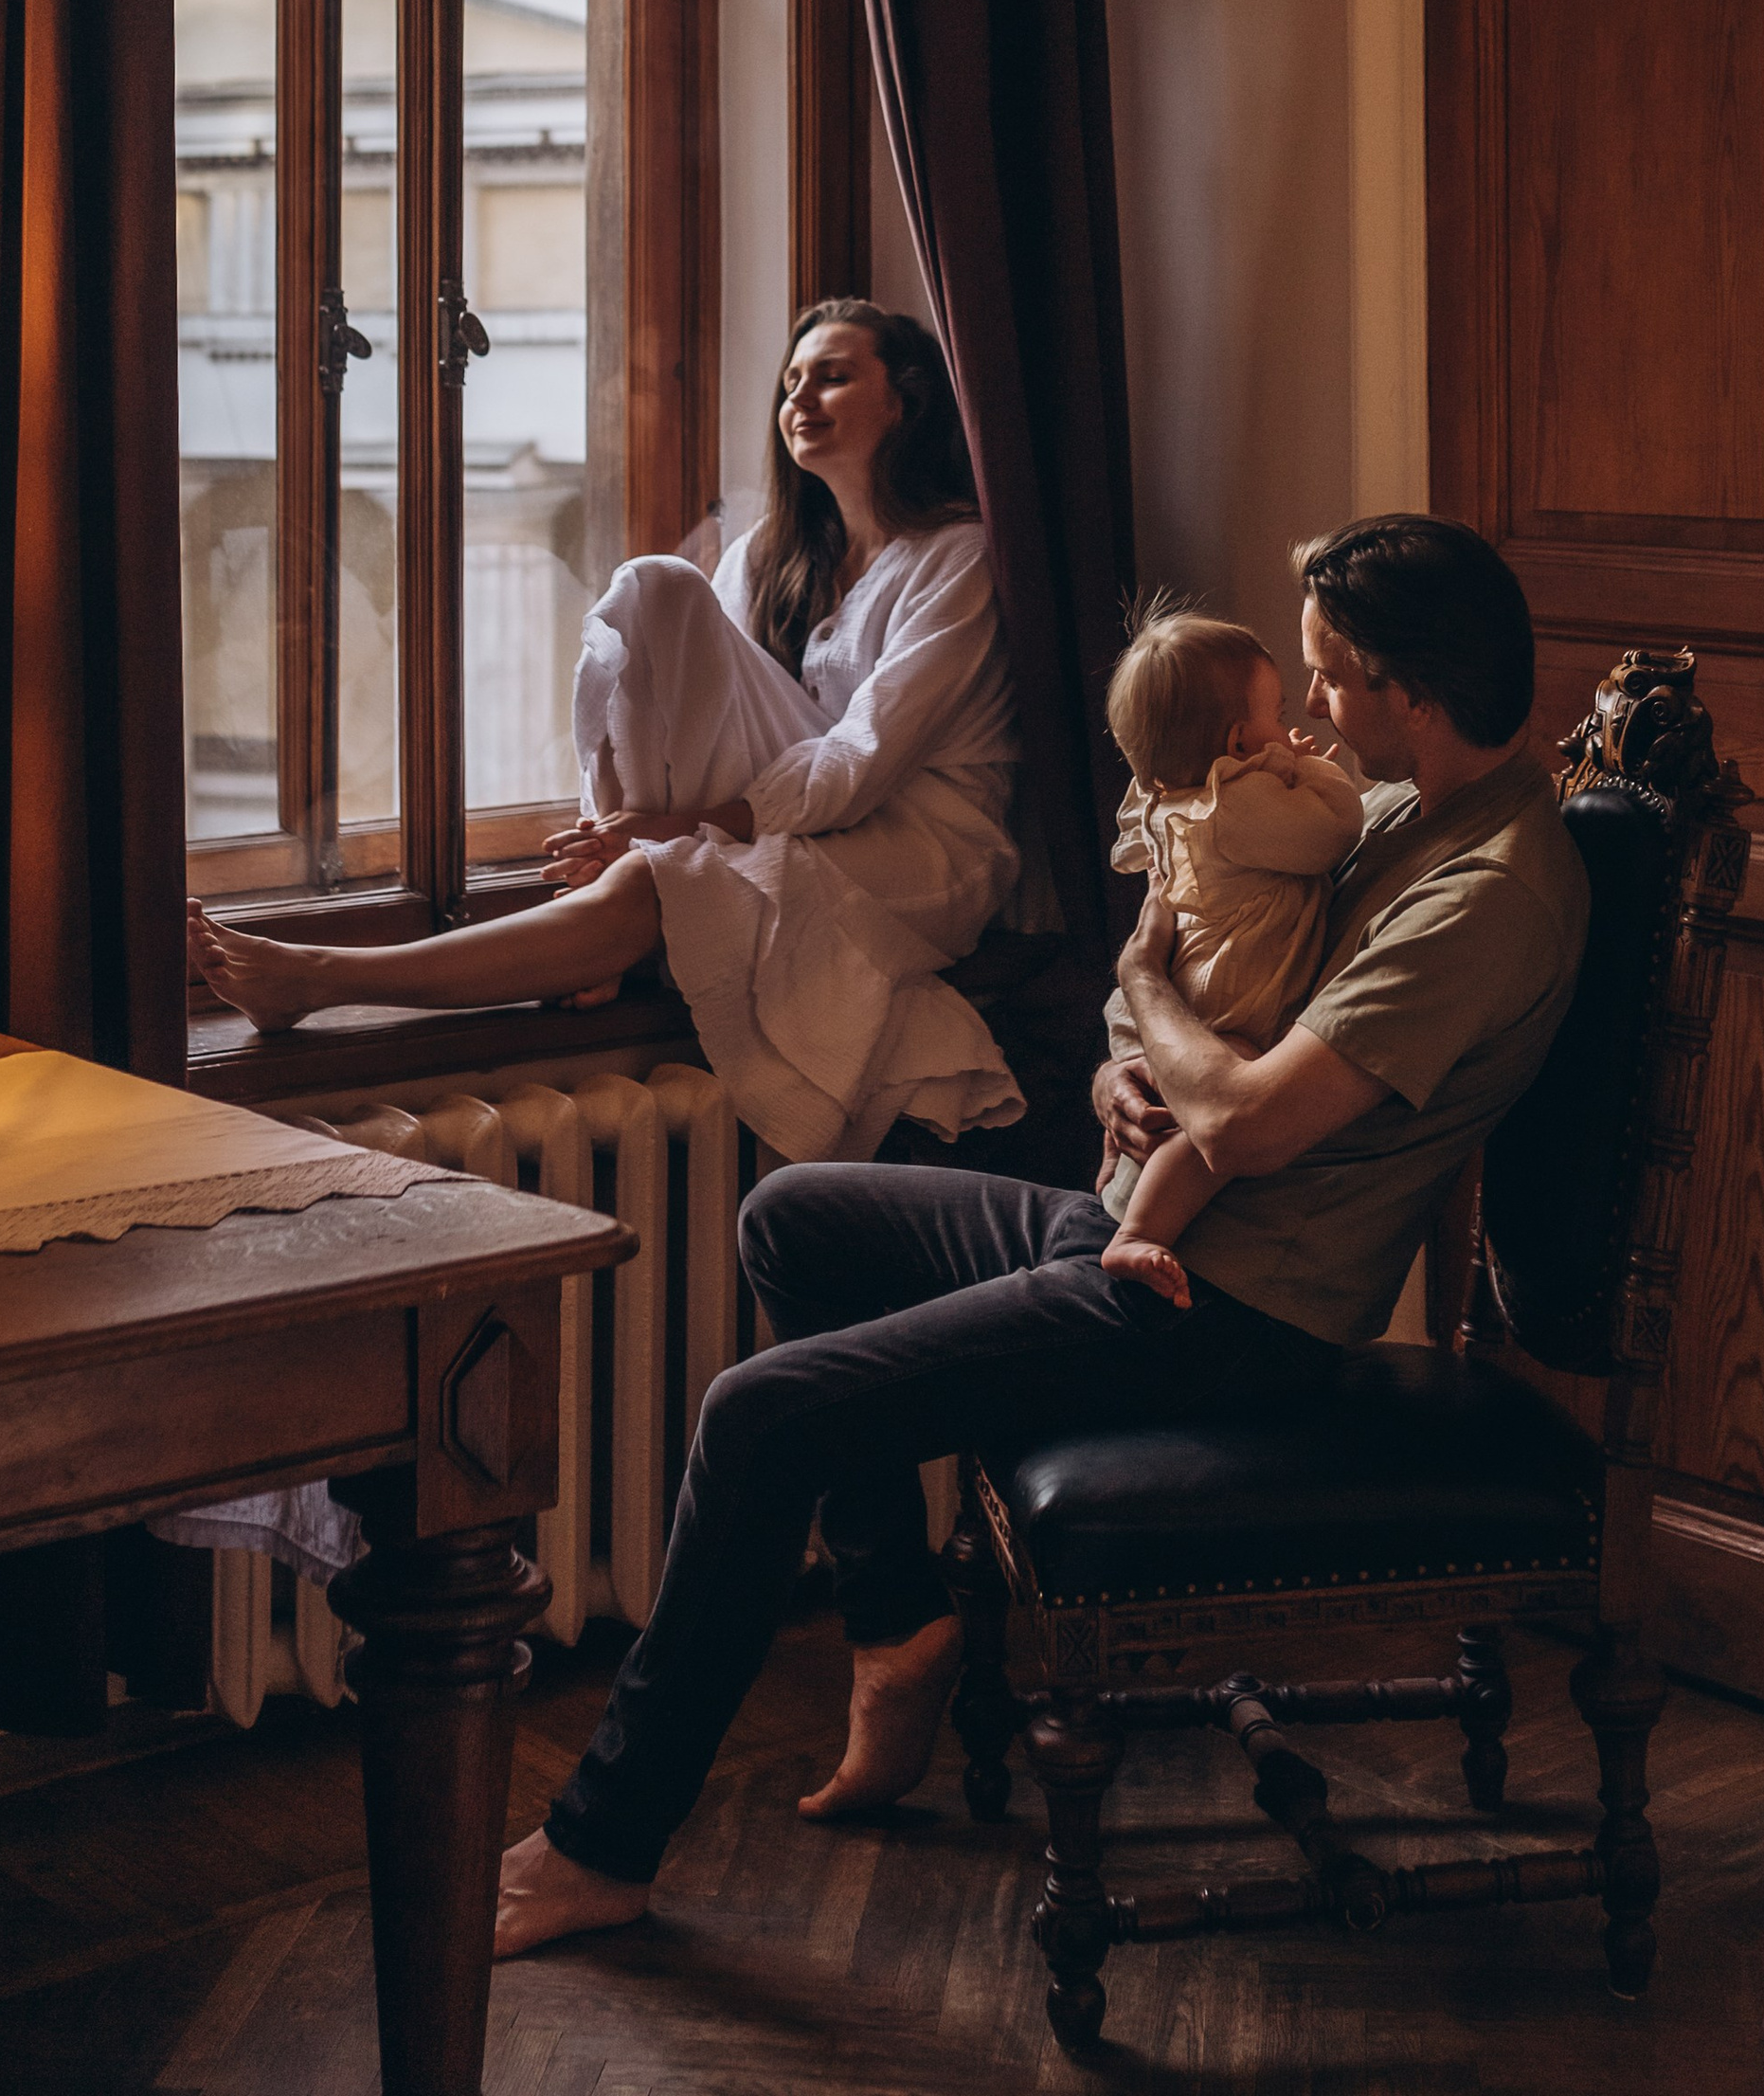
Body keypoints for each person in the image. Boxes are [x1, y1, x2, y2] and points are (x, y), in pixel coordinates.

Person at [495, 510, 1590, 1960]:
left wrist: (1150, 990)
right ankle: (902, 1628)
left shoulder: (1488, 892)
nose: (1315, 707)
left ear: (1411, 690)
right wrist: (1120, 1055)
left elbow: (1253, 1118)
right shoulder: (1380, 813)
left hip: (1233, 1311)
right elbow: (1186, 980)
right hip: (1138, 1225)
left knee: (761, 1417)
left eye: (1331, 677)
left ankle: (604, 1846)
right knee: (796, 1218)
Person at [188, 298, 1025, 1164]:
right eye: (792, 381)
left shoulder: (953, 556)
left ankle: (320, 976)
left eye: (835, 376)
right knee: (655, 585)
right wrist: (640, 825)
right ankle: (610, 864)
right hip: (791, 808)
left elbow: (863, 759)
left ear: (907, 401)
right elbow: (692, 706)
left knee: (654, 884)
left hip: (925, 844)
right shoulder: (769, 552)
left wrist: (688, 831)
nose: (801, 399)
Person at [1095, 604, 1363, 1306]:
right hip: (1223, 1005)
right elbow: (1336, 828)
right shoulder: (1239, 806)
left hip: (1174, 992)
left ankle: (1121, 1194)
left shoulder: (1179, 801)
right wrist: (1315, 774)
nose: (1296, 723)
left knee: (1172, 1103)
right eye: (1277, 712)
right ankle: (1136, 1232)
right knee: (1227, 1082)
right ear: (1242, 742)